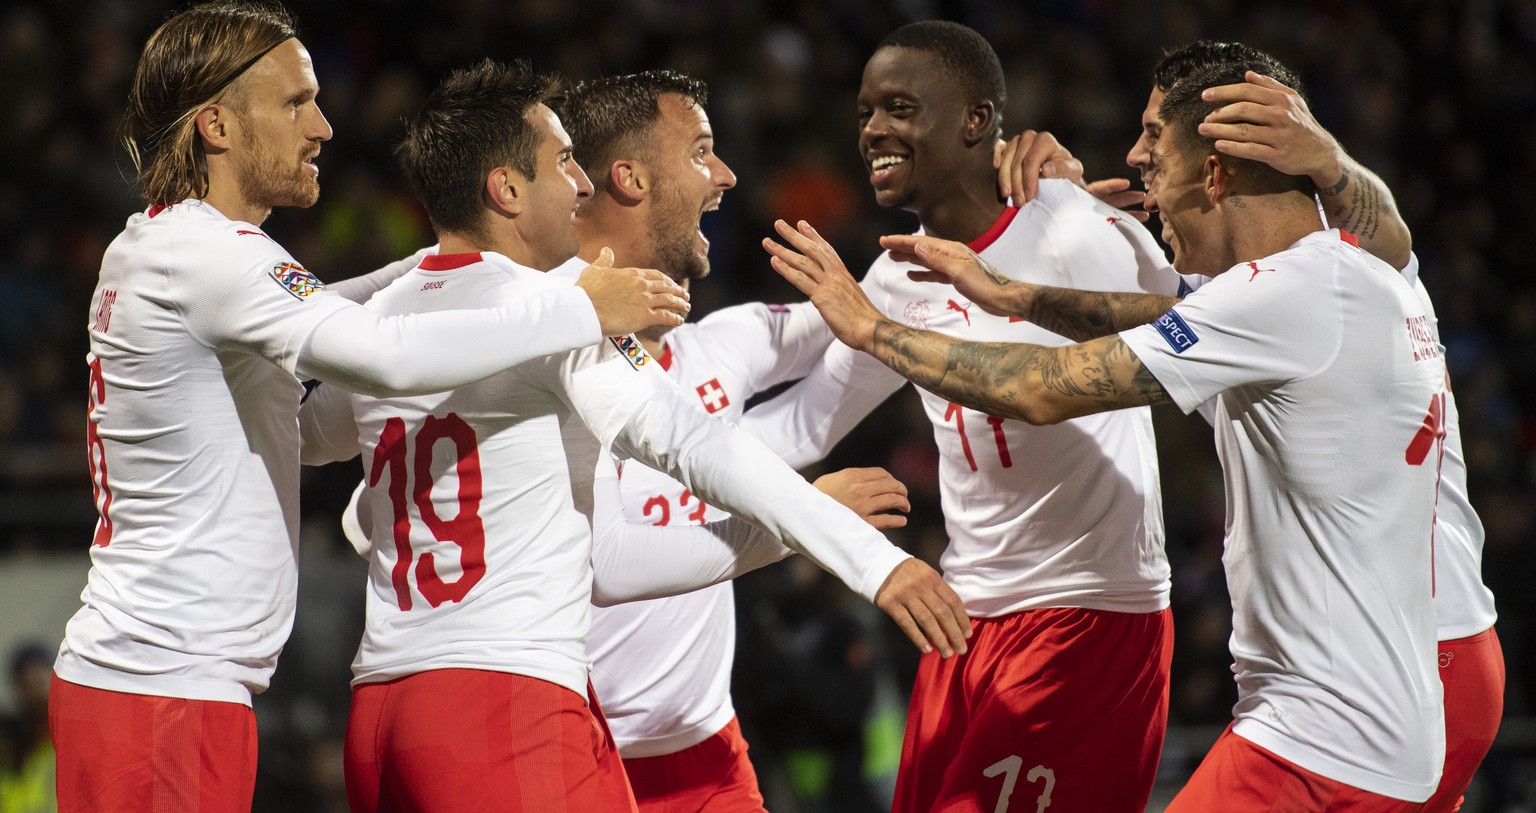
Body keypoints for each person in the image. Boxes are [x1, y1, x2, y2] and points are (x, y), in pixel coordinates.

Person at [51, 3, 690, 810]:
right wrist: (580, 307)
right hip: (162, 691)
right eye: (293, 102)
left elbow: (321, 322)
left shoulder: (157, 242)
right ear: (215, 124)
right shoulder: (214, 255)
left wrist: (432, 267)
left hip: (156, 682)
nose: (321, 124)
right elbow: (385, 359)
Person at [765, 58, 1449, 809]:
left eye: (1157, 144)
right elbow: (1170, 311)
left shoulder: (1280, 292)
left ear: (1216, 177)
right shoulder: (1359, 275)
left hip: (1323, 728)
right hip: (1364, 707)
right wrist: (1008, 287)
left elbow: (1038, 388)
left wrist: (873, 330)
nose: (1136, 167)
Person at [295, 58, 970, 812]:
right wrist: (866, 557)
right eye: (561, 165)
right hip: (502, 699)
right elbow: (688, 441)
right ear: (507, 189)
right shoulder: (560, 309)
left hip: (384, 700)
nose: (579, 185)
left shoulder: (390, 317)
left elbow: (310, 435)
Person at [740, 21, 1179, 813]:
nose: (873, 129)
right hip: (966, 622)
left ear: (977, 121)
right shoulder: (896, 271)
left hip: (1088, 614)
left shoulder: (1077, 226)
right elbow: (806, 425)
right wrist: (673, 456)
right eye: (867, 111)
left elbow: (1215, 323)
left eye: (901, 108)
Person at [1121, 41, 1500, 810]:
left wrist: (1328, 158)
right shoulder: (1330, 272)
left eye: (1156, 135)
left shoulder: (1320, 278)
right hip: (1447, 648)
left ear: (1224, 157)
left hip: (1407, 658)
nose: (1136, 155)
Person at [556, 70, 844, 812]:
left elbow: (855, 341)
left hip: (708, 753)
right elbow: (609, 565)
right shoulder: (542, 344)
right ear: (629, 176)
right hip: (569, 753)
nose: (726, 175)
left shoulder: (715, 346)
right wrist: (805, 522)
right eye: (702, 151)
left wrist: (1003, 227)